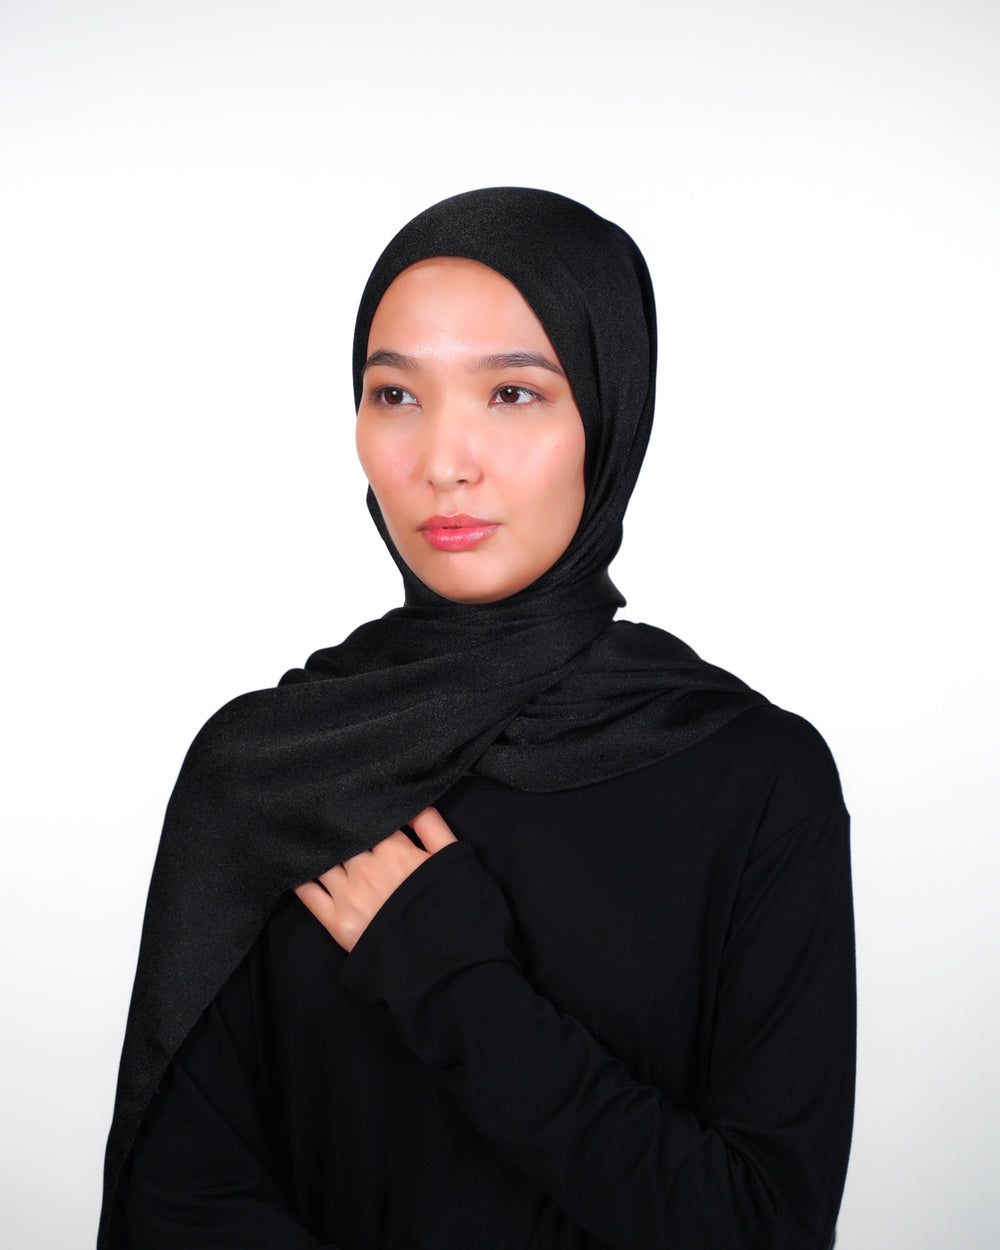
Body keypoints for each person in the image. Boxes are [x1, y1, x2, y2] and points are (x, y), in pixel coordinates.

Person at [99, 188, 855, 1249]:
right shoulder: (275, 768)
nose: (443, 461)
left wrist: (448, 977)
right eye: (395, 395)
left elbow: (761, 1227)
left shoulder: (754, 777)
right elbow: (183, 1207)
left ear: (608, 413)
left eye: (511, 392)